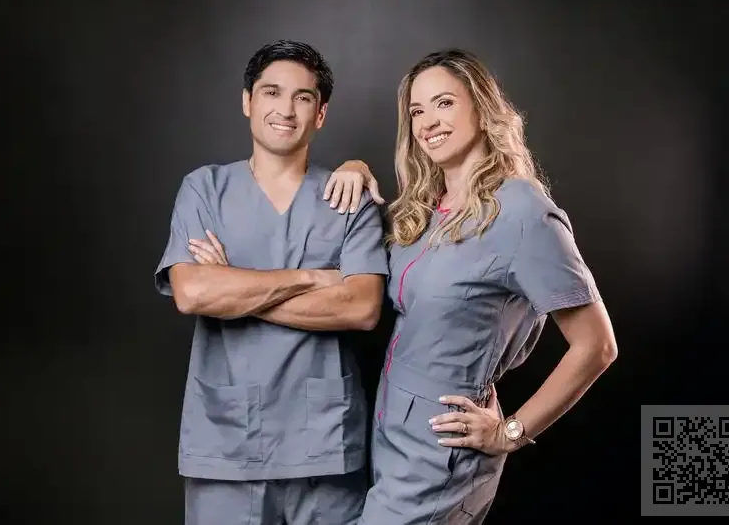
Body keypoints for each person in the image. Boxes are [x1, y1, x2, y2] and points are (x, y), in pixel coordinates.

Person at [323, 49, 619, 523]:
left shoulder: (523, 211)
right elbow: (364, 282)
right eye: (417, 111)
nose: (427, 122)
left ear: (482, 110)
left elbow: (597, 346)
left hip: (441, 452)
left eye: (444, 103)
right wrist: (355, 168)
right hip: (388, 435)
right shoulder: (426, 207)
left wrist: (510, 432)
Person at [153, 40, 389, 525]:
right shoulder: (204, 189)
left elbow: (362, 308)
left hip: (324, 445)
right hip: (226, 444)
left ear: (321, 113)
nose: (286, 109)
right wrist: (311, 278)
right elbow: (192, 293)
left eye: (303, 97)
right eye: (272, 92)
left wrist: (232, 287)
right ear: (247, 101)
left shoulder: (350, 198)